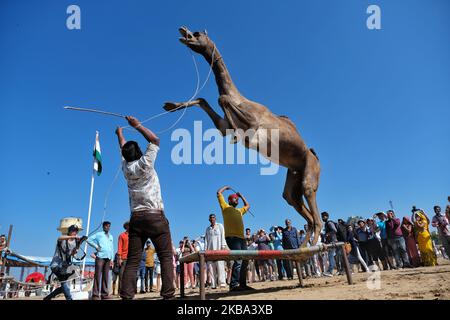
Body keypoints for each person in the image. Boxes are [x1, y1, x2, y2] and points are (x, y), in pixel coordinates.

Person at [116, 117, 175, 300]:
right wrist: (137, 125)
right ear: (139, 152)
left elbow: (123, 148)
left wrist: (120, 133)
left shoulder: (126, 168)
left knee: (133, 261)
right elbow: (155, 140)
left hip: (136, 218)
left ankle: (126, 296)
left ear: (125, 156)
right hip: (155, 216)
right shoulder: (145, 162)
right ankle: (168, 295)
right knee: (165, 256)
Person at [217, 185, 252, 291]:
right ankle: (233, 285)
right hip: (232, 238)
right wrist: (226, 187)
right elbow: (218, 193)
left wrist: (241, 196)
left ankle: (242, 284)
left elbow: (248, 205)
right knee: (239, 260)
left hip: (241, 239)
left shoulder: (239, 211)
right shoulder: (225, 207)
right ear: (229, 200)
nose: (236, 200)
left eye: (237, 199)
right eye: (235, 198)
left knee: (245, 260)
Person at [44, 225, 87, 300]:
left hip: (65, 267)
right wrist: (74, 238)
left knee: (64, 286)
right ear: (69, 231)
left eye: (76, 231)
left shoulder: (74, 242)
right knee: (64, 283)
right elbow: (59, 238)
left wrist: (77, 247)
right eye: (73, 231)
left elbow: (71, 254)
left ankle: (48, 297)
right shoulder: (63, 238)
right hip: (56, 265)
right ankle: (69, 298)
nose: (74, 232)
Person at [87, 221, 114, 300]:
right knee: (97, 276)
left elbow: (112, 248)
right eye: (106, 226)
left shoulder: (111, 236)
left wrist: (112, 259)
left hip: (108, 258)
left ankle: (104, 294)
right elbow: (88, 239)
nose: (108, 227)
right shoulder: (99, 234)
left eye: (109, 226)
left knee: (106, 276)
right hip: (100, 257)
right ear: (103, 227)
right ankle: (95, 295)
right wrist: (96, 246)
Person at [204, 214, 227, 289]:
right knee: (211, 267)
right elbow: (206, 240)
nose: (212, 219)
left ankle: (222, 283)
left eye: (213, 218)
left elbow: (223, 235)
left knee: (220, 266)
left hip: (219, 248)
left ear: (215, 218)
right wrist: (205, 250)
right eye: (210, 218)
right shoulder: (207, 229)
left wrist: (223, 246)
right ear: (209, 219)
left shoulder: (220, 226)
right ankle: (213, 284)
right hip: (210, 250)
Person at [321, 212, 338, 277]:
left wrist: (328, 234)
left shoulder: (329, 223)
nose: (322, 218)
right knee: (331, 256)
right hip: (331, 241)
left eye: (323, 216)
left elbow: (334, 230)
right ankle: (330, 271)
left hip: (332, 241)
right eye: (322, 216)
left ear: (327, 216)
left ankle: (330, 271)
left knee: (331, 256)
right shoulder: (327, 223)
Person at [117, 221, 129, 294]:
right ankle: (120, 292)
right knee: (121, 275)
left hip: (131, 258)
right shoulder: (122, 235)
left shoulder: (134, 236)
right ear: (126, 227)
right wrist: (120, 258)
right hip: (123, 258)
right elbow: (119, 247)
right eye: (128, 225)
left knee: (129, 276)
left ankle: (127, 291)